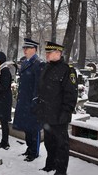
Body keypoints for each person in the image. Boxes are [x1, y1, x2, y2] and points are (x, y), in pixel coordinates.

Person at [33, 42, 78, 175]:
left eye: (49, 52)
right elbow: (42, 90)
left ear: (58, 53)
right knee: (48, 142)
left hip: (59, 115)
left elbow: (71, 94)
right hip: (47, 114)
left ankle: (61, 171)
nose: (46, 54)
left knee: (61, 145)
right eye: (46, 52)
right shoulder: (47, 67)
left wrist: (66, 112)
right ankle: (50, 164)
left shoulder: (67, 70)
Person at [13, 38, 42, 162]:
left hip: (32, 101)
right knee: (27, 128)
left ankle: (34, 152)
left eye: (27, 48)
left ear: (34, 49)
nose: (24, 50)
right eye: (24, 48)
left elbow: (38, 85)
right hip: (24, 100)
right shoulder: (25, 62)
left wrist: (35, 100)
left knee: (34, 128)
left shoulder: (39, 63)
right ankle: (29, 148)